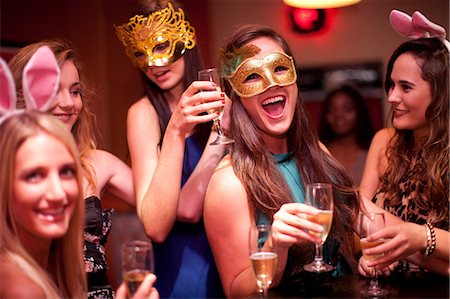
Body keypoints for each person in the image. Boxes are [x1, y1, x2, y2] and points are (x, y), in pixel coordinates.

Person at [203, 24, 365, 298]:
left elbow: (364, 221)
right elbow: (236, 291)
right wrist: (274, 246)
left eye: (279, 68)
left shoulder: (317, 153)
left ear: (294, 76)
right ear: (236, 95)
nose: (272, 81)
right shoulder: (229, 183)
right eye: (252, 75)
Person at [114, 0, 227, 297]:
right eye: (140, 53)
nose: (153, 63)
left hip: (235, 262)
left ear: (186, 38)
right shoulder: (144, 114)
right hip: (182, 276)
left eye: (162, 46)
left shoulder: (223, 101)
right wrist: (180, 131)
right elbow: (155, 225)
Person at [8, 38, 135, 298]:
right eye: (54, 89)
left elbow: (168, 210)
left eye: (75, 91)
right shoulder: (18, 282)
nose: (68, 103)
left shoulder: (97, 162)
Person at [358, 36, 449, 276]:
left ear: (441, 94)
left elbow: (365, 214)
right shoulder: (383, 141)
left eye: (405, 87)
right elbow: (355, 223)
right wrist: (372, 256)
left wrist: (421, 236)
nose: (392, 97)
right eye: (391, 84)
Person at [0, 111, 87, 299]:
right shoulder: (21, 291)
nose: (58, 193)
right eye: (34, 176)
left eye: (66, 171)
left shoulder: (53, 266)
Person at [318, 84, 374, 185]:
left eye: (347, 109)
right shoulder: (319, 152)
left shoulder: (373, 152)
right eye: (332, 110)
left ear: (360, 112)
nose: (339, 116)